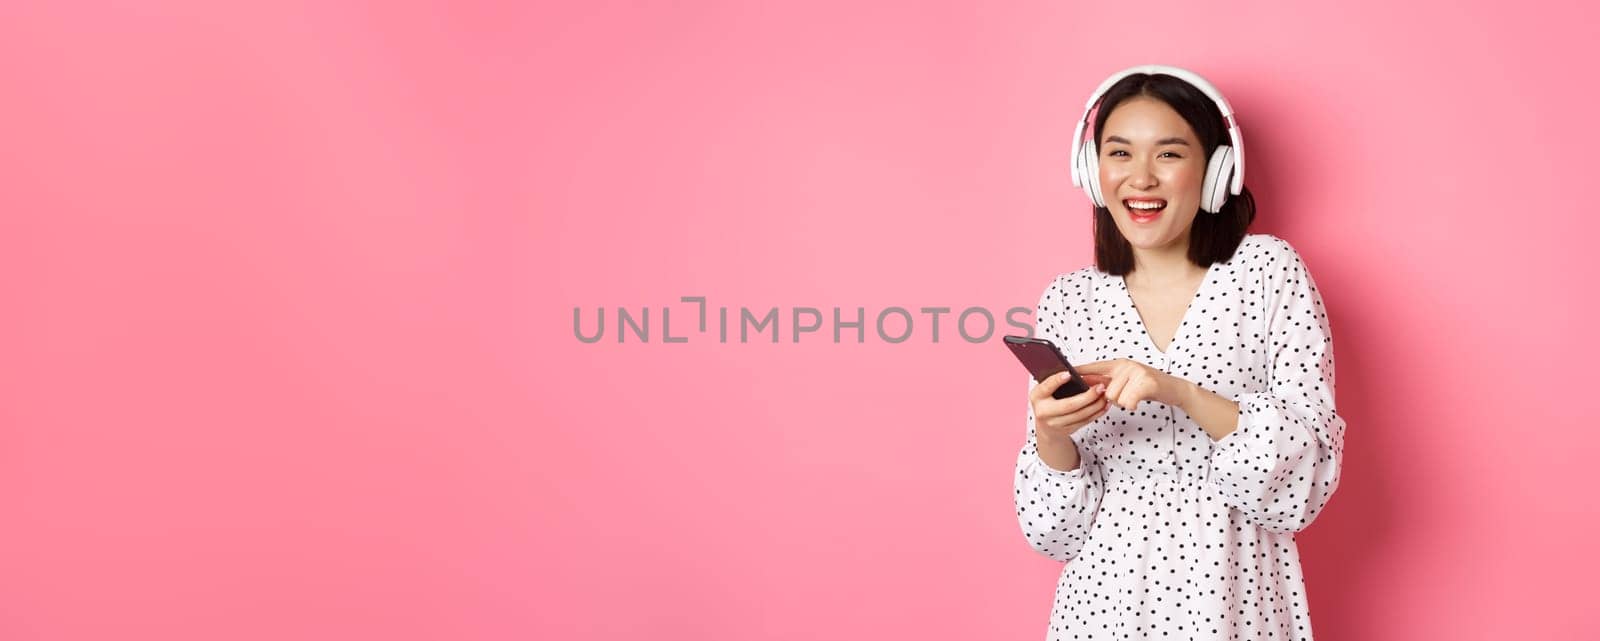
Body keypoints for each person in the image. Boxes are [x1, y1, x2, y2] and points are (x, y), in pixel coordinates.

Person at [1013, 65, 1346, 640]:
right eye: (1119, 154)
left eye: (1168, 155)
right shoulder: (1069, 301)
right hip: (1102, 609)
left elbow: (1305, 482)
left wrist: (1178, 390)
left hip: (1235, 601)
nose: (1140, 179)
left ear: (1216, 172)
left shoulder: (1267, 274)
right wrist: (1052, 435)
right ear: (1093, 175)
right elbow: (1053, 534)